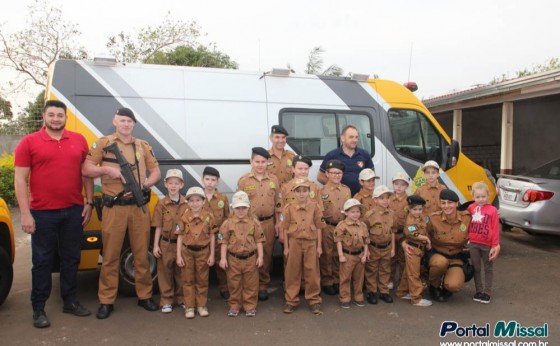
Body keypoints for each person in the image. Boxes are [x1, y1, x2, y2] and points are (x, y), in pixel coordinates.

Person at [14, 100, 94, 328]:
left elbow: (86, 174)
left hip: (73, 210)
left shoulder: (78, 140)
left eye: (60, 115)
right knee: (42, 261)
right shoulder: (29, 142)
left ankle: (70, 301)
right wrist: (26, 214)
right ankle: (38, 307)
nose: (56, 119)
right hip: (42, 213)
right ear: (44, 116)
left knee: (71, 258)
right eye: (52, 115)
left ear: (66, 117)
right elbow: (20, 179)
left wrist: (89, 202)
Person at [82, 107, 161, 319]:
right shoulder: (104, 143)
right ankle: (106, 301)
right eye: (122, 120)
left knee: (142, 254)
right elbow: (86, 169)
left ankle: (144, 296)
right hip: (114, 209)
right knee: (110, 256)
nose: (126, 124)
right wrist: (107, 170)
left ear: (133, 124)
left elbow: (156, 171)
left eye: (130, 121)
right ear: (115, 121)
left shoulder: (142, 145)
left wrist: (146, 183)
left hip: (138, 207)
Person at [237, 147, 281, 301]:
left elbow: (278, 204)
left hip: (268, 222)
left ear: (268, 163)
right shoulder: (243, 181)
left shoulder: (274, 180)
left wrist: (277, 224)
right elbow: (239, 205)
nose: (260, 165)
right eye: (257, 162)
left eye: (263, 162)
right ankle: (251, 285)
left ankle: (263, 285)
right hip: (250, 223)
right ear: (251, 162)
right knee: (250, 253)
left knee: (267, 254)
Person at [282, 178, 325, 315]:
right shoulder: (288, 208)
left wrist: (319, 246)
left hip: (311, 243)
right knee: (292, 272)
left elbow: (319, 227)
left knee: (312, 271)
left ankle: (314, 300)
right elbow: (285, 228)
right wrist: (286, 247)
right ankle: (291, 300)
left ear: (309, 192)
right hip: (294, 242)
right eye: (298, 191)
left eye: (304, 191)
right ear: (294, 192)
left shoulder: (315, 207)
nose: (301, 194)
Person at [218, 191, 265, 317]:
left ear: (248, 207)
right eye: (237, 208)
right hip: (233, 258)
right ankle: (234, 305)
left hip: (250, 258)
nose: (240, 211)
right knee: (234, 283)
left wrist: (260, 257)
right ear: (232, 208)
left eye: (243, 207)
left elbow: (259, 241)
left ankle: (250, 306)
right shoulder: (227, 224)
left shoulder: (254, 223)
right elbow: (224, 242)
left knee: (251, 284)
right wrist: (223, 258)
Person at [423, 189, 471, 303]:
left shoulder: (467, 218)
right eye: (443, 203)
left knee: (454, 286)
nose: (446, 206)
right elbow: (419, 230)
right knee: (440, 263)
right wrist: (406, 242)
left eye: (450, 202)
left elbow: (482, 230)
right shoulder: (433, 218)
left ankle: (446, 284)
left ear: (456, 203)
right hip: (438, 255)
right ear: (440, 204)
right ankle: (434, 286)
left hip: (456, 258)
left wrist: (495, 244)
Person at [151, 169, 188, 313]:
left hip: (182, 244)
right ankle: (166, 300)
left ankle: (182, 298)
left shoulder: (187, 204)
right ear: (165, 184)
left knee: (181, 272)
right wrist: (155, 245)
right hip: (166, 243)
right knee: (165, 271)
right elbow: (158, 226)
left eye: (176, 183)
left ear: (181, 185)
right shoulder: (161, 204)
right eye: (170, 183)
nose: (173, 186)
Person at [177, 187, 217, 318]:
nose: (195, 203)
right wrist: (178, 256)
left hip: (203, 252)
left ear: (203, 201)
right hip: (187, 252)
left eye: (198, 200)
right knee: (188, 280)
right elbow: (180, 236)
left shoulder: (209, 217)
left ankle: (201, 305)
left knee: (202, 279)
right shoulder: (183, 217)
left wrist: (211, 255)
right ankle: (189, 307)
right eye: (192, 201)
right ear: (187, 202)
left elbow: (212, 236)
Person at [319, 160, 351, 296]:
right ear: (326, 174)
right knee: (327, 254)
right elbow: (319, 212)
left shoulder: (346, 190)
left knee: (339, 254)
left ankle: (338, 279)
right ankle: (327, 281)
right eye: (333, 173)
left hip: (342, 226)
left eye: (339, 173)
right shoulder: (321, 191)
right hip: (327, 226)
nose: (337, 175)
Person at [395, 195, 433, 307]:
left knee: (408, 272)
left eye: (420, 209)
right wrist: (426, 239)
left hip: (419, 249)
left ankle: (401, 292)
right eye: (414, 209)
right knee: (414, 274)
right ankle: (416, 298)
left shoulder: (421, 218)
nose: (417, 212)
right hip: (413, 249)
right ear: (409, 209)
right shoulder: (410, 220)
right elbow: (412, 233)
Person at [277, 155, 323, 243]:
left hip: (310, 233)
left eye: (306, 169)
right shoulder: (285, 188)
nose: (303, 172)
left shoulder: (314, 188)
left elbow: (319, 212)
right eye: (300, 168)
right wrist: (281, 231)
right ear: (293, 169)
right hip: (291, 233)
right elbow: (280, 211)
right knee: (290, 256)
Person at [317, 125, 374, 196]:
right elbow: (320, 177)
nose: (355, 140)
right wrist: (336, 188)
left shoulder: (364, 154)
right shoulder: (332, 155)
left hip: (360, 198)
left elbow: (371, 176)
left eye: (356, 137)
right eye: (351, 137)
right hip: (339, 197)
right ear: (343, 138)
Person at [468, 181, 500, 304]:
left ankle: (487, 292)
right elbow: (465, 221)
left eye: (483, 196)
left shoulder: (492, 210)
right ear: (473, 197)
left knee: (488, 268)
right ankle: (479, 290)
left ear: (488, 195)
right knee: (476, 268)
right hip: (474, 244)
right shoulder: (471, 208)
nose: (481, 199)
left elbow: (495, 228)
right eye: (477, 197)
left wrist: (495, 245)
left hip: (487, 245)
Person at [201, 166, 230, 300]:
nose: (210, 182)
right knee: (201, 266)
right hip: (201, 238)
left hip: (218, 237)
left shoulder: (222, 198)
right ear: (202, 180)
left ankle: (224, 289)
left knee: (221, 265)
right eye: (207, 179)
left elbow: (226, 218)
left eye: (213, 180)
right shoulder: (197, 198)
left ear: (217, 182)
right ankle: (202, 292)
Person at [363, 185, 396, 304]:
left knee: (385, 270)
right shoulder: (369, 215)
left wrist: (393, 248)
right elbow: (365, 233)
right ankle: (371, 291)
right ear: (375, 200)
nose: (385, 200)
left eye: (387, 197)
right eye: (381, 198)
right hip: (374, 247)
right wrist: (367, 251)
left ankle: (384, 291)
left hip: (387, 247)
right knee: (371, 269)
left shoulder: (392, 214)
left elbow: (393, 231)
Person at [335, 199, 369, 309]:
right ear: (346, 213)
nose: (355, 214)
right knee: (345, 278)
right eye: (352, 212)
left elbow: (366, 241)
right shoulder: (342, 226)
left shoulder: (363, 225)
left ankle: (358, 297)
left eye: (358, 211)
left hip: (359, 256)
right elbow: (338, 241)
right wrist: (341, 255)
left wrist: (364, 255)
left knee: (359, 278)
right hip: (347, 256)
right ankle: (345, 298)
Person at [388, 172, 411, 289]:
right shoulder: (388, 199)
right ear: (393, 184)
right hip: (390, 234)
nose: (399, 187)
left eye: (402, 185)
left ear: (406, 186)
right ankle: (390, 279)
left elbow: (411, 218)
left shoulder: (409, 201)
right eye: (396, 184)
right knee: (391, 258)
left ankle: (402, 282)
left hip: (403, 234)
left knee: (403, 259)